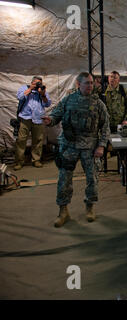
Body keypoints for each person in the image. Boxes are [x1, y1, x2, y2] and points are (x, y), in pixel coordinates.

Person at [42, 72, 110, 227]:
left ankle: (90, 207)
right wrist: (50, 120)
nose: (90, 86)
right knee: (64, 179)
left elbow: (105, 126)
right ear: (78, 84)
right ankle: (63, 211)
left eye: (92, 83)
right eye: (87, 83)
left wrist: (101, 145)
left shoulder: (98, 103)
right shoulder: (68, 100)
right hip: (69, 146)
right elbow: (56, 115)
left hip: (89, 147)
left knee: (92, 179)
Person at [14, 76, 52, 170]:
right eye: (36, 83)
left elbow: (47, 104)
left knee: (38, 140)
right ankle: (19, 161)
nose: (38, 85)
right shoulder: (24, 88)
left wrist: (42, 94)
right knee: (21, 140)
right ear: (32, 82)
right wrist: (30, 89)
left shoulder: (42, 91)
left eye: (40, 83)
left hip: (38, 119)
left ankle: (36, 160)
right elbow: (19, 97)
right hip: (25, 118)